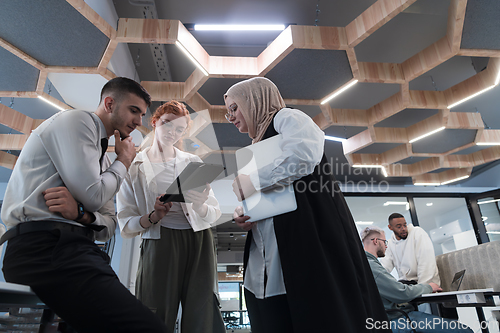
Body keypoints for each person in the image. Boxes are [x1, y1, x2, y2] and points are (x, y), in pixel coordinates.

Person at [0, 77, 167, 333]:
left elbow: (110, 225)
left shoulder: (101, 162)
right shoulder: (78, 121)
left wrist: (82, 215)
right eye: (134, 111)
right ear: (109, 103)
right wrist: (123, 160)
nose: (139, 122)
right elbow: (94, 196)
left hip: (75, 249)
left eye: (142, 115)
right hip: (45, 248)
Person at [226, 77, 391, 333]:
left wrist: (253, 181)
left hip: (308, 234)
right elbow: (268, 194)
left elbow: (304, 156)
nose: (231, 116)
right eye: (228, 112)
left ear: (254, 100)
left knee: (320, 311)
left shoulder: (286, 118)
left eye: (234, 107)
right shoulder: (255, 146)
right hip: (273, 247)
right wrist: (244, 212)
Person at [117, 100, 225, 333]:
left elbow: (214, 213)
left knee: (202, 311)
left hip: (199, 240)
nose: (172, 132)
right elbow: (126, 222)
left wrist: (200, 205)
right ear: (155, 122)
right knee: (153, 308)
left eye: (179, 129)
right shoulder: (134, 166)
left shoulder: (193, 162)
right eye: (167, 124)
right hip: (159, 240)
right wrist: (154, 216)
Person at [361, 226, 473, 333]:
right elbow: (402, 293)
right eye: (385, 242)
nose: (386, 246)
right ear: (376, 241)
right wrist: (429, 287)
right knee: (464, 330)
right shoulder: (372, 267)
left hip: (391, 318)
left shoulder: (368, 265)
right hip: (399, 320)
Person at [381, 213, 440, 285]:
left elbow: (426, 262)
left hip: (424, 282)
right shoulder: (390, 243)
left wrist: (423, 287)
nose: (403, 229)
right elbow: (385, 267)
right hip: (407, 284)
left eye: (405, 225)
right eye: (399, 227)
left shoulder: (417, 233)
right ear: (390, 227)